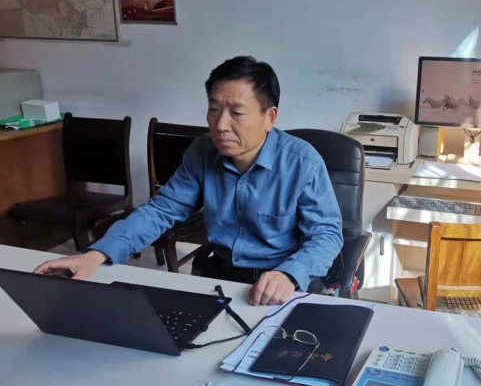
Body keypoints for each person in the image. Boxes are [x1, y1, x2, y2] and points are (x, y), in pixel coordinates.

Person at [34, 56, 344, 306]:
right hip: (221, 276)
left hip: (280, 282)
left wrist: (290, 275)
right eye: (213, 110)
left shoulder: (302, 163)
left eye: (237, 113)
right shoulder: (202, 152)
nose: (220, 125)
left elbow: (327, 235)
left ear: (269, 117)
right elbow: (161, 210)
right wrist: (96, 254)